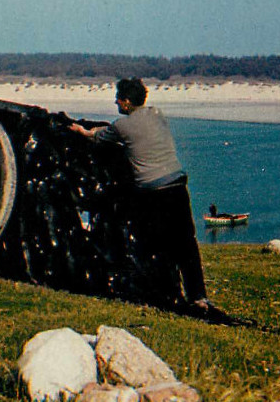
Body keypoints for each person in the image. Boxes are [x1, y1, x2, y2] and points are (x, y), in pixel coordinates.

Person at [70, 77, 212, 312]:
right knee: (186, 243)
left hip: (152, 192)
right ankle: (198, 296)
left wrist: (82, 131)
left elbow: (98, 136)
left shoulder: (121, 126)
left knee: (155, 244)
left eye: (118, 98)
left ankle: (164, 292)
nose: (116, 102)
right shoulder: (157, 114)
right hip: (177, 184)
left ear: (126, 102)